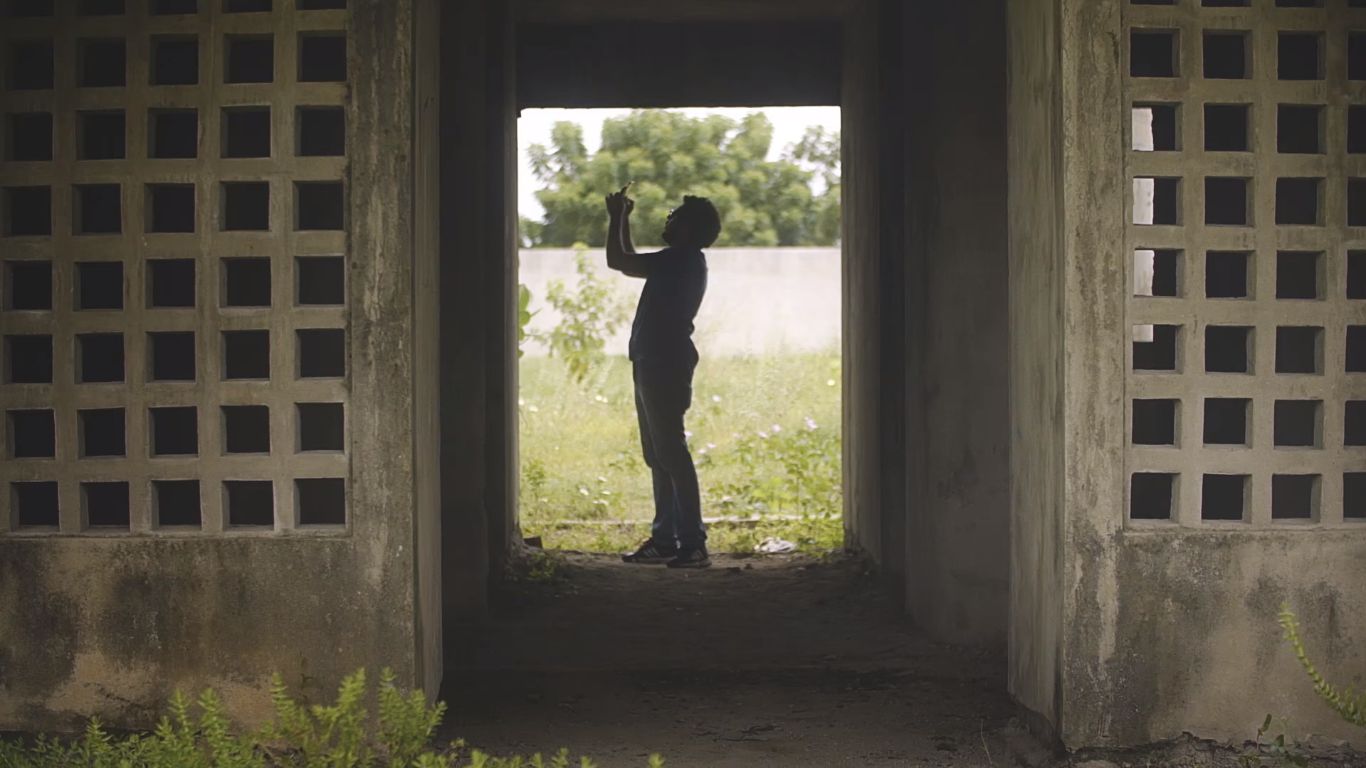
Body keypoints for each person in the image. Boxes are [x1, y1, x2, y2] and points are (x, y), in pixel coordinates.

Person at [604, 184, 719, 569]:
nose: (669, 220)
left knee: (670, 452)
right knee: (660, 454)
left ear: (689, 230)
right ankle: (666, 539)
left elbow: (619, 260)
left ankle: (692, 541)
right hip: (654, 360)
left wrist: (617, 217)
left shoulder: (680, 260)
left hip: (663, 363)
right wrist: (620, 218)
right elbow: (625, 260)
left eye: (677, 217)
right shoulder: (681, 260)